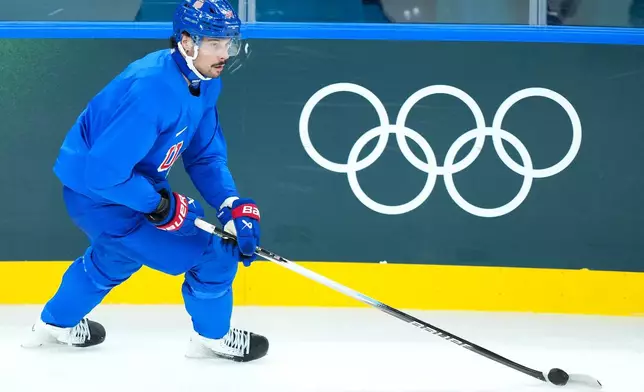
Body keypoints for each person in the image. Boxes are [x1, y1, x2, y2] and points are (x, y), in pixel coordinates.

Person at [20, 0, 269, 363]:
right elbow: (104, 174)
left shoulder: (203, 81)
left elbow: (205, 156)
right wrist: (159, 206)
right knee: (214, 255)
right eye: (214, 43)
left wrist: (230, 205)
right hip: (102, 196)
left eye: (228, 42)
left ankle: (55, 324)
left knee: (115, 257)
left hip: (121, 188)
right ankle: (212, 338)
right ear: (186, 42)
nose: (224, 53)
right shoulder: (151, 90)